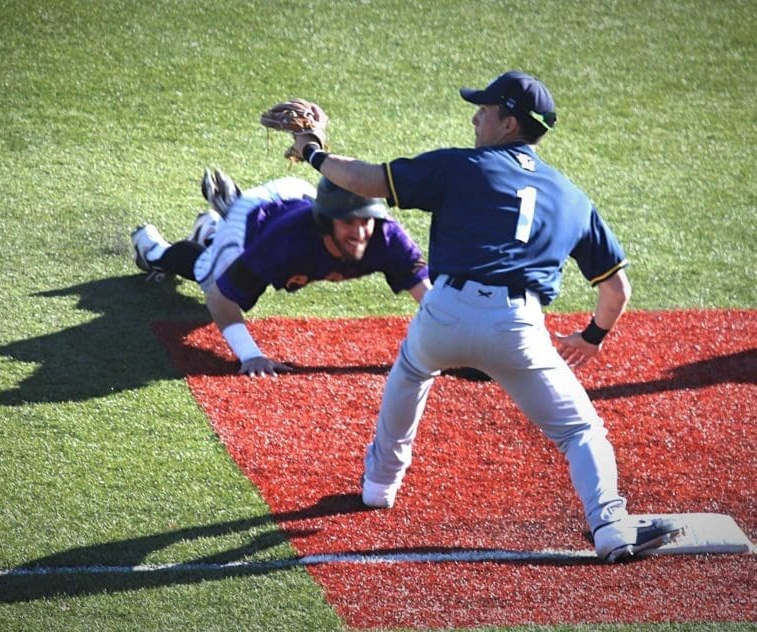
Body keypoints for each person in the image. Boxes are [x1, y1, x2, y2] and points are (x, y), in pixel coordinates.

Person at [287, 71, 682, 561]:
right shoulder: (573, 198)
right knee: (579, 431)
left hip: (446, 312)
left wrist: (313, 151)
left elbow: (365, 180)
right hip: (518, 327)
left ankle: (379, 486)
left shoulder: (461, 166)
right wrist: (592, 336)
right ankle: (609, 527)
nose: (476, 117)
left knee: (412, 371)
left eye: (485, 109)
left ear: (508, 123)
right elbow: (617, 289)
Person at [131, 170, 431, 377]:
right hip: (254, 216)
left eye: (366, 220)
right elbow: (219, 300)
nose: (360, 232)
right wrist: (250, 355)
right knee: (209, 279)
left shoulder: (387, 237)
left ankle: (212, 232)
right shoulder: (285, 244)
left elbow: (429, 298)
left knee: (229, 264)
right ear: (327, 222)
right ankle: (154, 249)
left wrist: (449, 347)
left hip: (300, 196)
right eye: (348, 222)